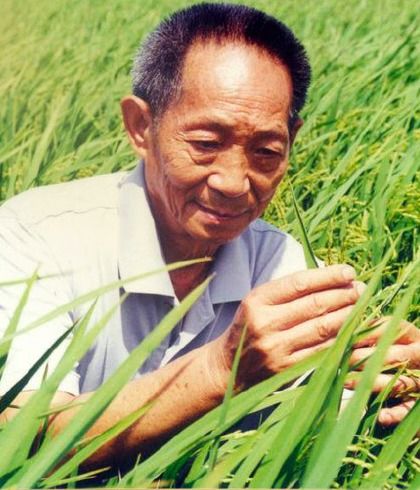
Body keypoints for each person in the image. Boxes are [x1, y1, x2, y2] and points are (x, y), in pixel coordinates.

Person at [0, 2, 418, 471]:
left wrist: (380, 386)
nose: (234, 181)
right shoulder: (32, 235)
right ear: (141, 126)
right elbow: (22, 437)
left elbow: (304, 419)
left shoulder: (278, 260)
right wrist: (222, 369)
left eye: (266, 151)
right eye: (205, 144)